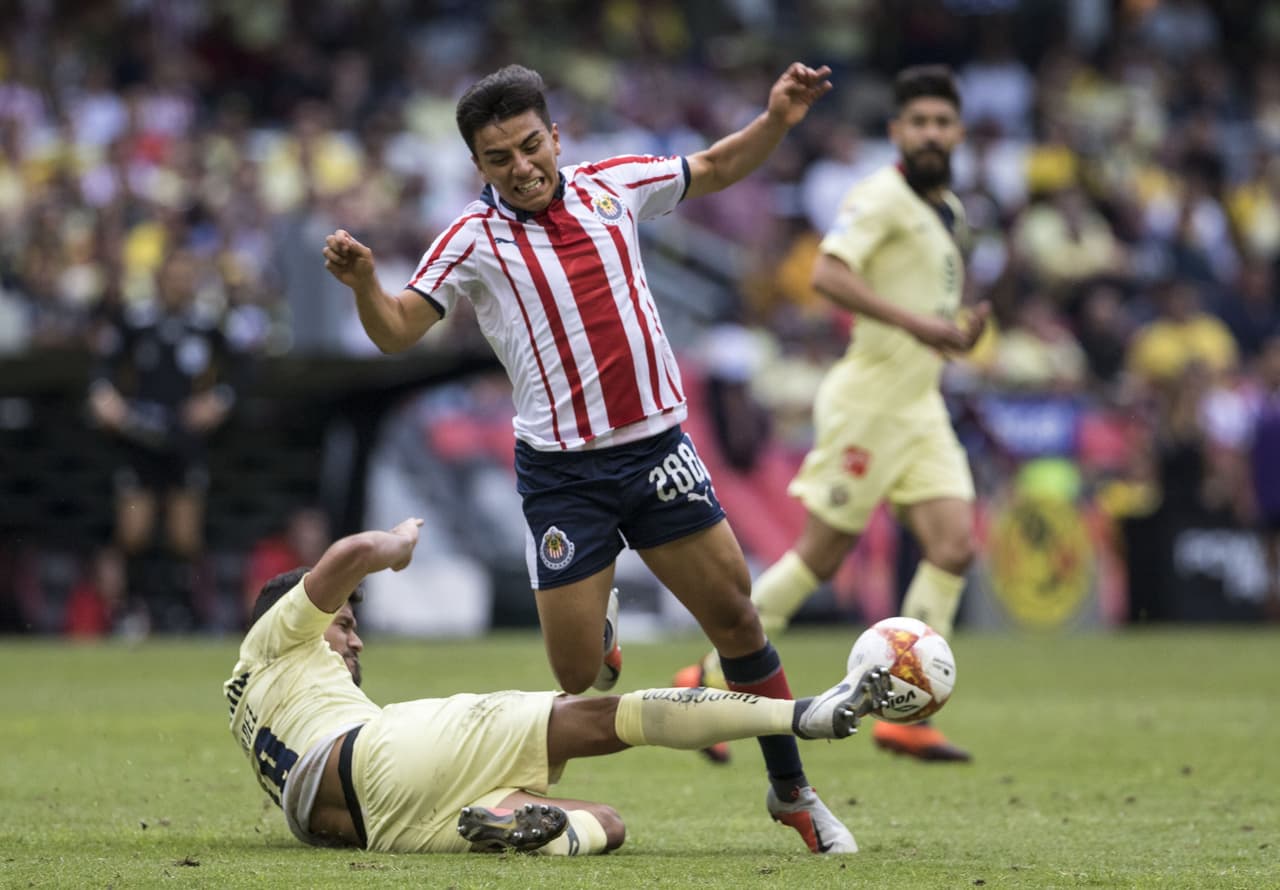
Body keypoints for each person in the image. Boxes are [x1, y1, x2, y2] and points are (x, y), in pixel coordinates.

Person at [322, 63, 860, 851]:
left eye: (530, 146)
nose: (522, 167)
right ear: (479, 166)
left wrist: (776, 117)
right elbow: (399, 329)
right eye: (499, 158)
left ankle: (793, 793)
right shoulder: (470, 238)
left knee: (738, 621)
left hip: (656, 450)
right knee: (576, 676)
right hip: (564, 474)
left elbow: (712, 167)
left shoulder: (615, 184)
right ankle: (600, 628)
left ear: (556, 137)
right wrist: (367, 283)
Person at [224, 517, 891, 855]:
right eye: (342, 625)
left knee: (606, 823)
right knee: (604, 717)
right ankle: (802, 717)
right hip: (376, 753)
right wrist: (396, 545)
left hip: (363, 822)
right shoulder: (274, 635)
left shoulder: (248, 695)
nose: (355, 637)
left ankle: (533, 834)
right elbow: (346, 556)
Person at [675, 65, 988, 763]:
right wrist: (918, 325)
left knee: (954, 546)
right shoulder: (879, 197)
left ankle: (905, 711)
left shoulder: (952, 212)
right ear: (896, 132)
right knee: (821, 555)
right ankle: (705, 675)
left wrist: (953, 330)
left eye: (943, 122)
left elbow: (926, 309)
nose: (932, 133)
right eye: (920, 122)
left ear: (958, 132)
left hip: (920, 406)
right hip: (870, 403)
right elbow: (827, 275)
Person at [88, 247, 242, 632]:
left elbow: (242, 369)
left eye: (186, 276)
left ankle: (188, 613)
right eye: (173, 276)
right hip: (139, 437)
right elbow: (102, 368)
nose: (179, 284)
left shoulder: (206, 323)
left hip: (185, 439)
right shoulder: (136, 321)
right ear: (160, 280)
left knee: (185, 536)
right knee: (132, 532)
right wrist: (105, 397)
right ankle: (124, 612)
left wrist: (218, 400)